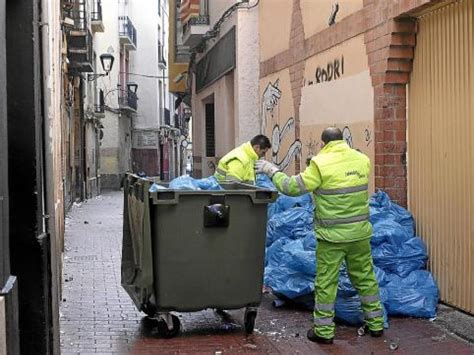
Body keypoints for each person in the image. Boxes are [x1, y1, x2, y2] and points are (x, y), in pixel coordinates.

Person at [255, 127, 384, 344]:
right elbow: (342, 177)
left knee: (326, 283)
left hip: (332, 237)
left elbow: (292, 187)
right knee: (366, 278)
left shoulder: (320, 164)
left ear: (323, 144)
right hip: (360, 234)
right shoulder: (362, 159)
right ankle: (376, 324)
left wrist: (271, 170)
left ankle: (324, 332)